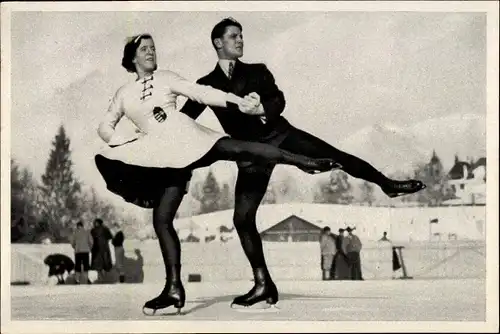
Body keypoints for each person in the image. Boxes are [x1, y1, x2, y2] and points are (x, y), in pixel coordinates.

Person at [178, 17, 426, 307]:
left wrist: (262, 108)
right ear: (218, 43)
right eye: (234, 36)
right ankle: (263, 285)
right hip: (251, 154)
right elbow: (183, 121)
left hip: (281, 135)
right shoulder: (206, 85)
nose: (240, 40)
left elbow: (278, 99)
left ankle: (387, 184)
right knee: (242, 219)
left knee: (338, 156)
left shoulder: (257, 71)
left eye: (242, 35)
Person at [94, 33, 337, 315]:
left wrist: (236, 102)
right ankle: (173, 289)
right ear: (132, 57)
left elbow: (203, 93)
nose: (150, 52)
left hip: (185, 136)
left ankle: (302, 161)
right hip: (162, 156)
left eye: (153, 48)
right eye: (144, 49)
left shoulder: (167, 77)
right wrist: (127, 141)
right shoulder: (123, 94)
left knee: (242, 149)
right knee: (162, 220)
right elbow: (105, 125)